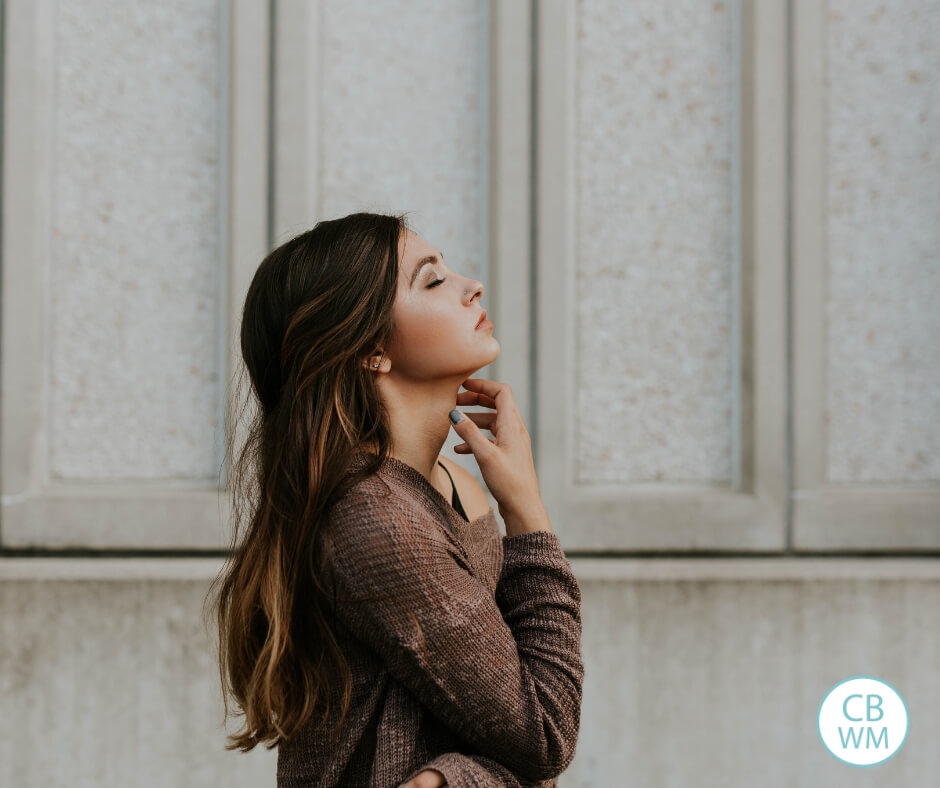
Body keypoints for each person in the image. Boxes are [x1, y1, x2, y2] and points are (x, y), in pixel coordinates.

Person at [206, 212, 584, 787]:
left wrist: (450, 778)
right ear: (371, 349)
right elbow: (545, 732)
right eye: (432, 280)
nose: (470, 285)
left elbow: (520, 733)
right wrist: (529, 516)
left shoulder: (457, 487)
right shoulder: (376, 520)